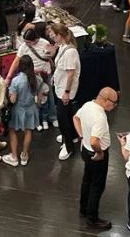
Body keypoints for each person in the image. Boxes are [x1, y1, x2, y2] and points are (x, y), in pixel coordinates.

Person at [73, 87, 119, 230]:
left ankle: (83, 208)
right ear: (105, 100)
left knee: (87, 180)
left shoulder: (88, 105)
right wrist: (99, 153)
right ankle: (92, 219)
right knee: (97, 186)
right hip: (96, 153)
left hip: (85, 150)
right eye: (114, 102)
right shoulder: (100, 117)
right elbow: (94, 141)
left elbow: (75, 118)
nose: (115, 105)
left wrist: (82, 136)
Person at [5, 27, 55, 131]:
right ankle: (38, 120)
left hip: (45, 73)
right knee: (35, 98)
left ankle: (52, 117)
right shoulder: (23, 47)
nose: (26, 44)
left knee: (48, 96)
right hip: (32, 76)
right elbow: (16, 61)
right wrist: (9, 76)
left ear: (35, 40)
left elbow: (50, 56)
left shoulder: (44, 43)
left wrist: (51, 52)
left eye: (28, 42)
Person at [49, 22, 81, 160]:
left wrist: (66, 92)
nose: (51, 36)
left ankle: (68, 147)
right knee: (67, 115)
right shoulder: (63, 46)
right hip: (60, 87)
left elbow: (70, 73)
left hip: (65, 90)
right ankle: (71, 135)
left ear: (60, 35)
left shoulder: (70, 52)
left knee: (63, 118)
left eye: (53, 34)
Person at [2, 55, 40, 167]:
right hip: (31, 109)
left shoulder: (16, 81)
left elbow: (13, 100)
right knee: (28, 131)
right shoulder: (36, 79)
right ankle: (24, 154)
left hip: (18, 110)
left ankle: (14, 157)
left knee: (12, 131)